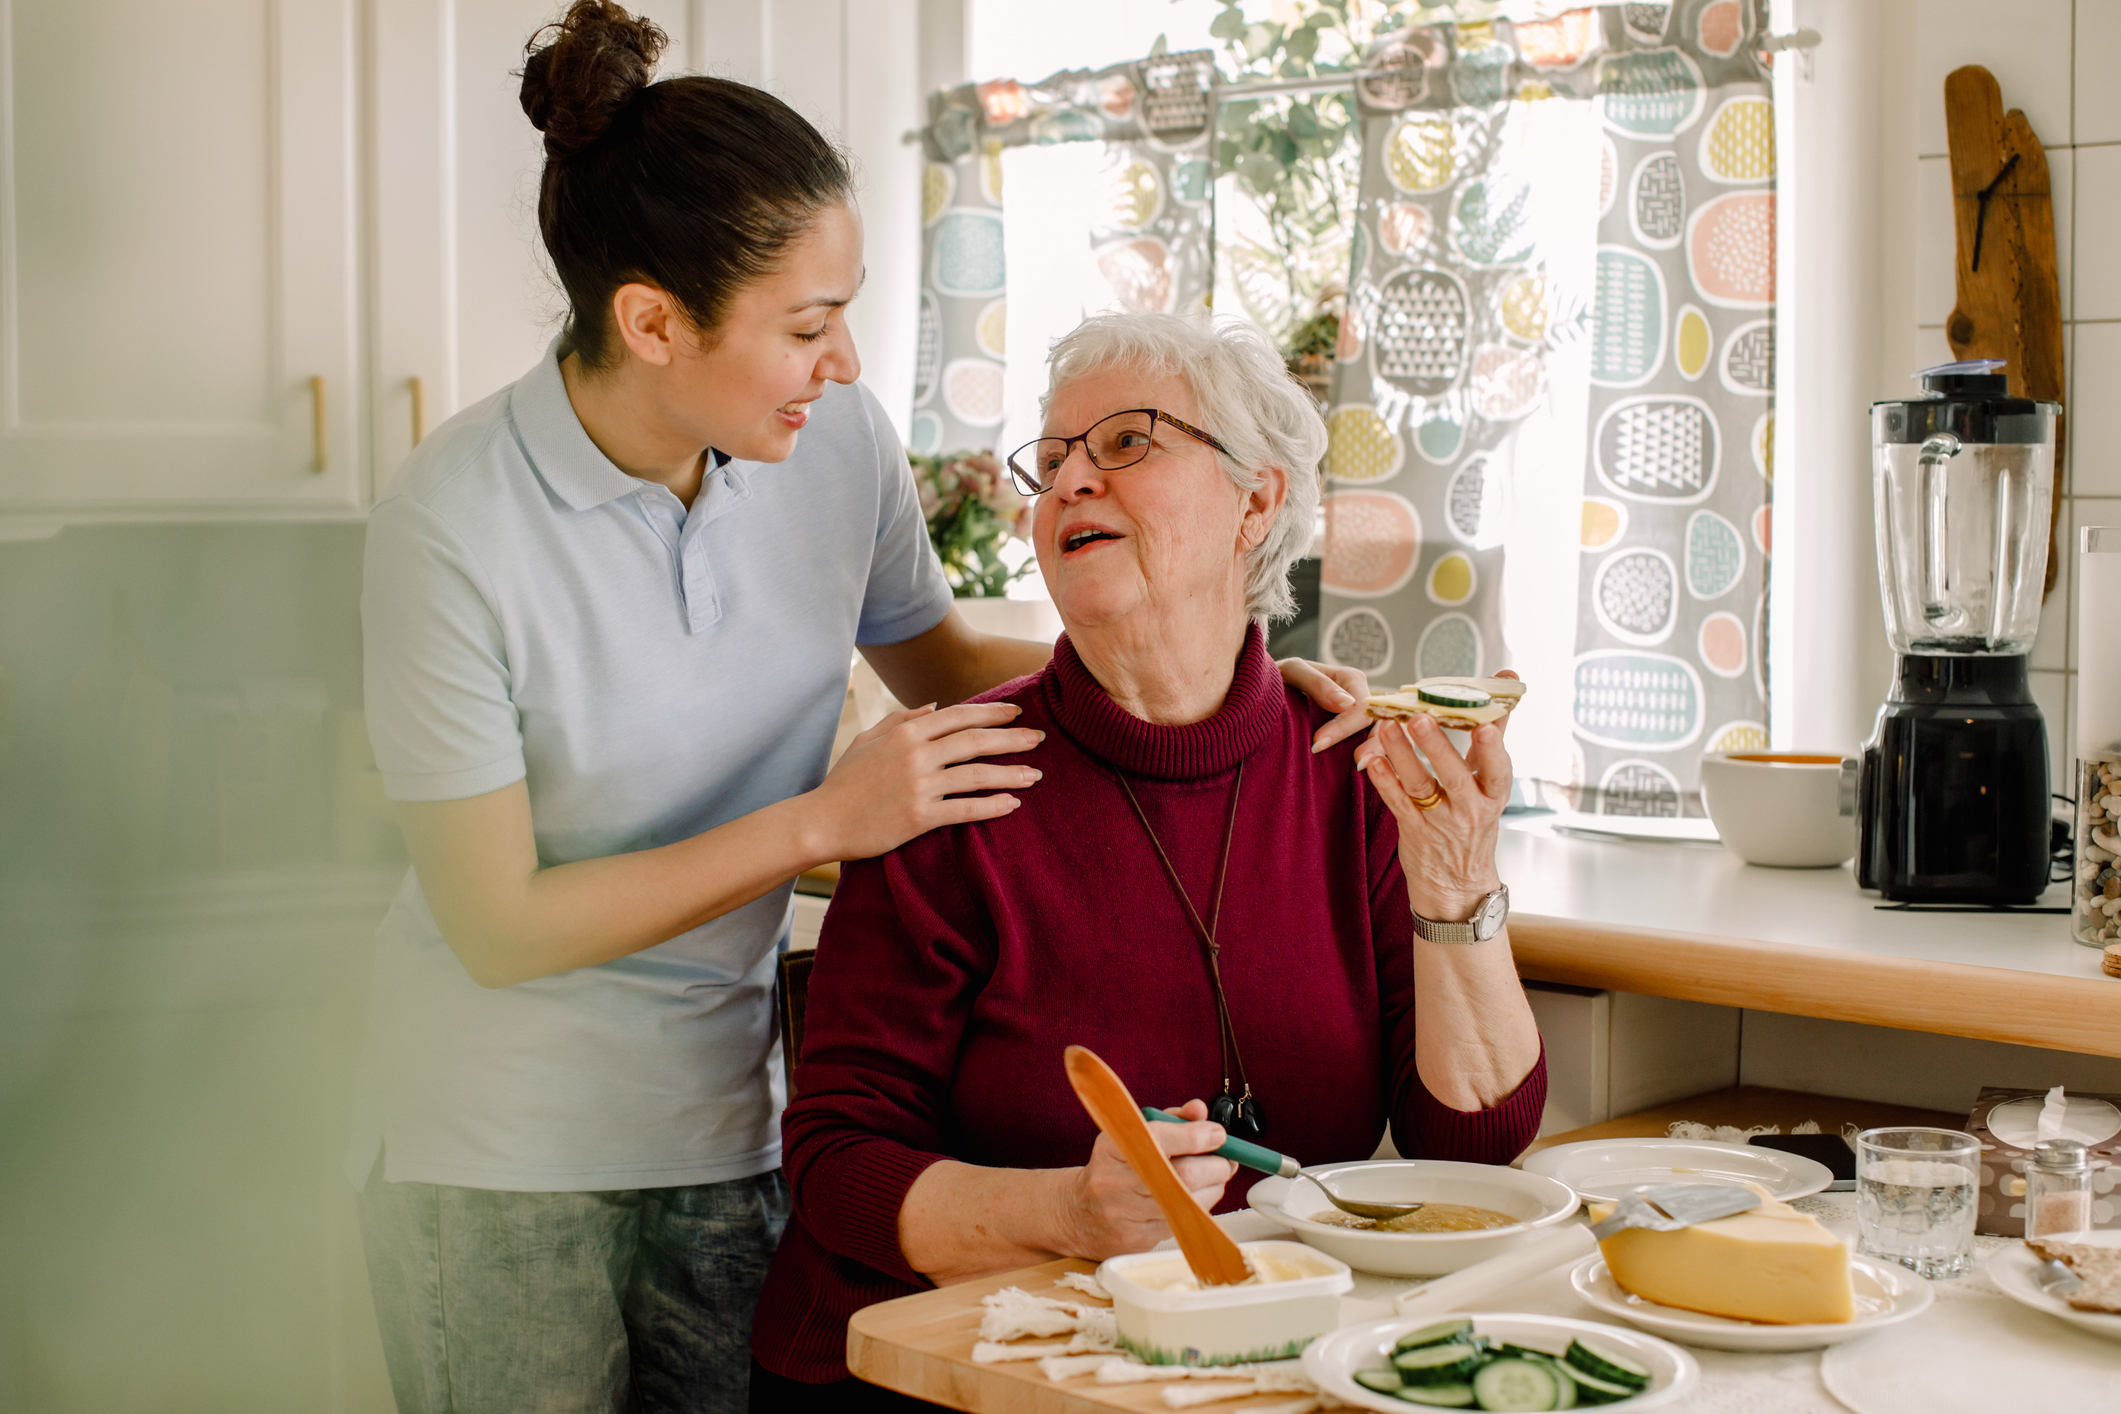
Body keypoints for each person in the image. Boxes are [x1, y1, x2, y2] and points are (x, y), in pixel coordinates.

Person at [346, 6, 1375, 1412]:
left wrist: (1231, 692)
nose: (843, 363)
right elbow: (498, 923)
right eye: (808, 326)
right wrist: (823, 819)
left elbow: (950, 669)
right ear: (654, 321)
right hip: (498, 1144)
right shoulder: (450, 524)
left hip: (727, 1116)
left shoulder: (829, 447)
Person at [749, 312, 1548, 1407]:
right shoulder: (954, 785)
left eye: (1126, 443)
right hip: (953, 1374)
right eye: (1054, 457)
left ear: (1257, 501)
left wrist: (1456, 883)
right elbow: (838, 1168)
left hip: (1230, 1362)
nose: (1071, 479)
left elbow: (1475, 1142)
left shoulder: (1346, 772)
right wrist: (1070, 1213)